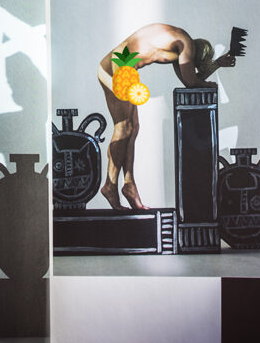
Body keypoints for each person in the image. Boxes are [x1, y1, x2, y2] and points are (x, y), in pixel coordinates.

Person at [97, 23, 236, 210]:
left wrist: (217, 64)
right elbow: (192, 81)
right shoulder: (186, 44)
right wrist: (211, 83)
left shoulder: (178, 42)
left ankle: (128, 184)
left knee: (133, 127)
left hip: (118, 66)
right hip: (119, 66)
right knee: (124, 128)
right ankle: (110, 185)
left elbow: (189, 80)